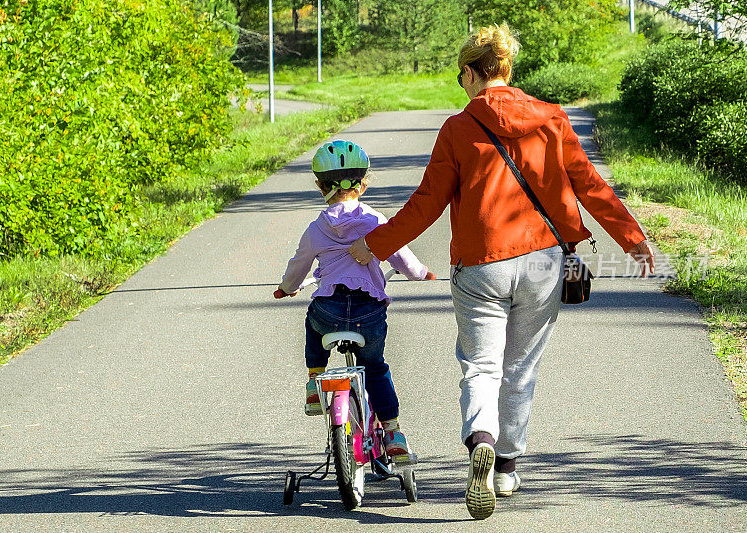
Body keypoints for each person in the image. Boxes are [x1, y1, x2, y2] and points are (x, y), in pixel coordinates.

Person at [349, 24, 655, 519]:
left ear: (473, 72)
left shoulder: (457, 130)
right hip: (544, 263)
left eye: (461, 76)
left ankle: (481, 447)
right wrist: (632, 239)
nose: (461, 86)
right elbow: (590, 184)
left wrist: (374, 246)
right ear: (507, 71)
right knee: (520, 368)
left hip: (481, 265)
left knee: (482, 366)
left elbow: (427, 204)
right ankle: (507, 469)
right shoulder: (551, 119)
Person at [275, 139, 435, 458]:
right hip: (368, 314)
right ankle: (392, 433)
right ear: (363, 185)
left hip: (329, 310)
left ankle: (315, 378)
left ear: (320, 186)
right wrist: (421, 273)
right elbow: (401, 256)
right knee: (375, 368)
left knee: (312, 322)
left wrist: (287, 286)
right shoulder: (376, 221)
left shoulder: (316, 228)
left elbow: (299, 265)